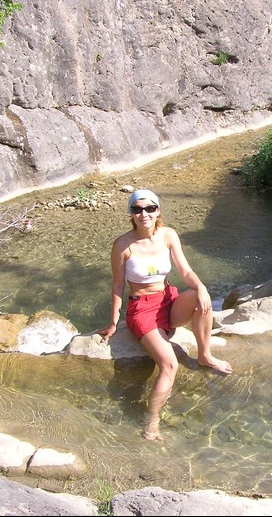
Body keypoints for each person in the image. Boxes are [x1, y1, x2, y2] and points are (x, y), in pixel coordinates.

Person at [96, 189, 233, 441]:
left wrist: (201, 287)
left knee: (201, 298)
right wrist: (114, 321)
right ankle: (152, 422)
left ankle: (205, 356)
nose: (143, 214)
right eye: (137, 209)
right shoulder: (123, 244)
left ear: (158, 210)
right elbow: (117, 286)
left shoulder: (168, 235)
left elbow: (185, 269)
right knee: (169, 365)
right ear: (131, 214)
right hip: (142, 309)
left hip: (168, 300)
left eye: (149, 208)